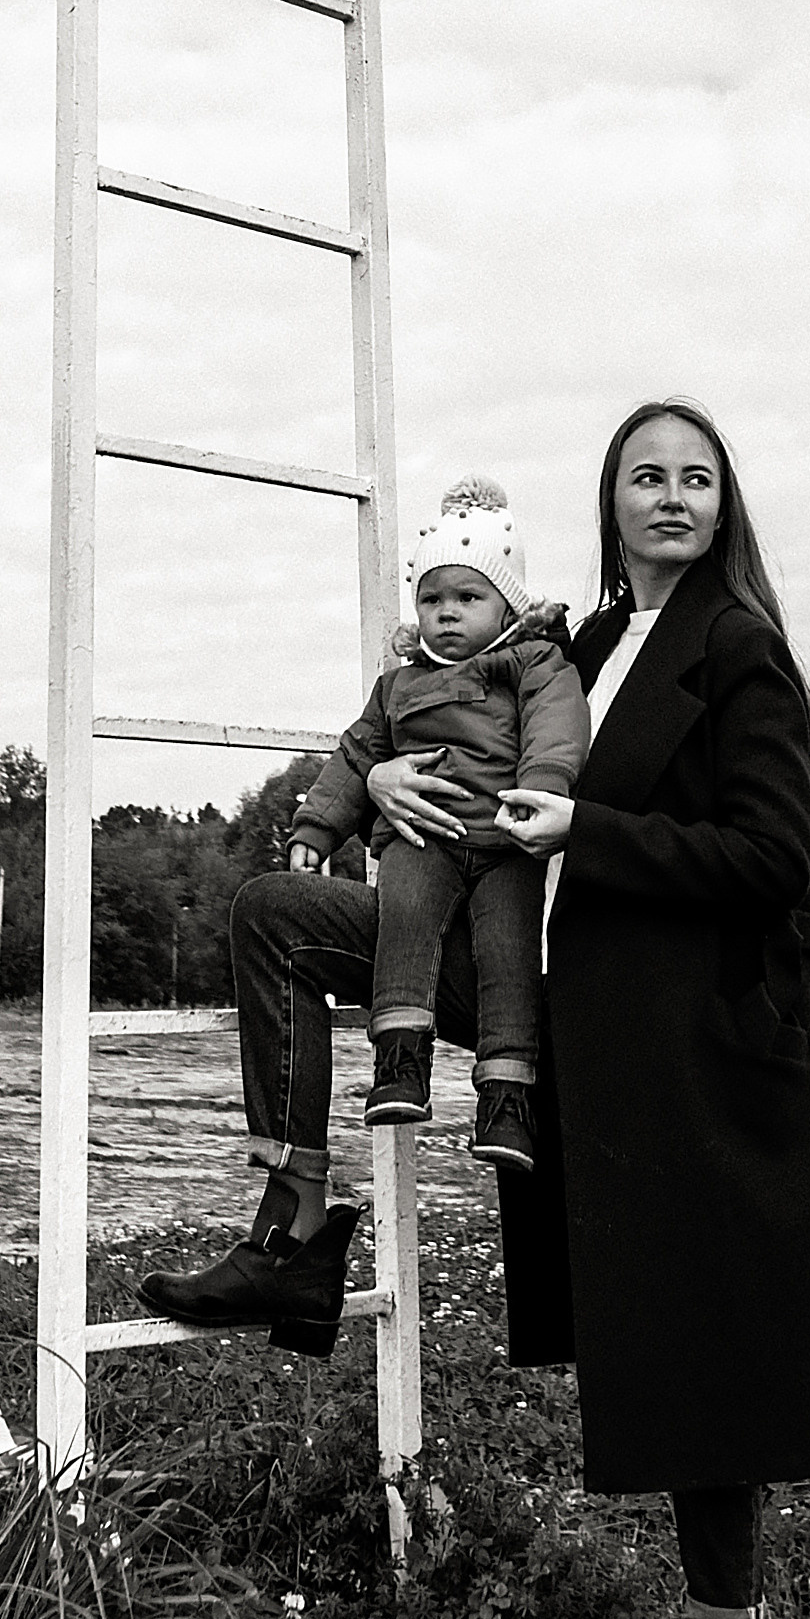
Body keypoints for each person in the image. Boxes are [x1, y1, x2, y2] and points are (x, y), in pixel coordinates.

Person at [138, 400, 810, 1619]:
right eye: (645, 477)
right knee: (278, 915)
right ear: (608, 500)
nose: (670, 498)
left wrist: (594, 826)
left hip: (672, 1039)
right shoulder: (569, 642)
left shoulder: (737, 654)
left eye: (694, 479)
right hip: (529, 982)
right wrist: (385, 776)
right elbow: (443, 722)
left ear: (721, 504)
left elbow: (765, 860)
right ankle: (290, 1238)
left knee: (697, 1343)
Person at [284, 482, 590, 1173]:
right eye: (431, 599)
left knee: (508, 955)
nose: (446, 613)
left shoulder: (532, 664)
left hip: (507, 842)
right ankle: (398, 1061)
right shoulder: (397, 685)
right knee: (406, 920)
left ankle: (506, 1097)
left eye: (467, 598)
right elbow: (357, 752)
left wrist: (543, 790)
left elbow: (557, 728)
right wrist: (317, 827)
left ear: (507, 605)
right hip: (423, 837)